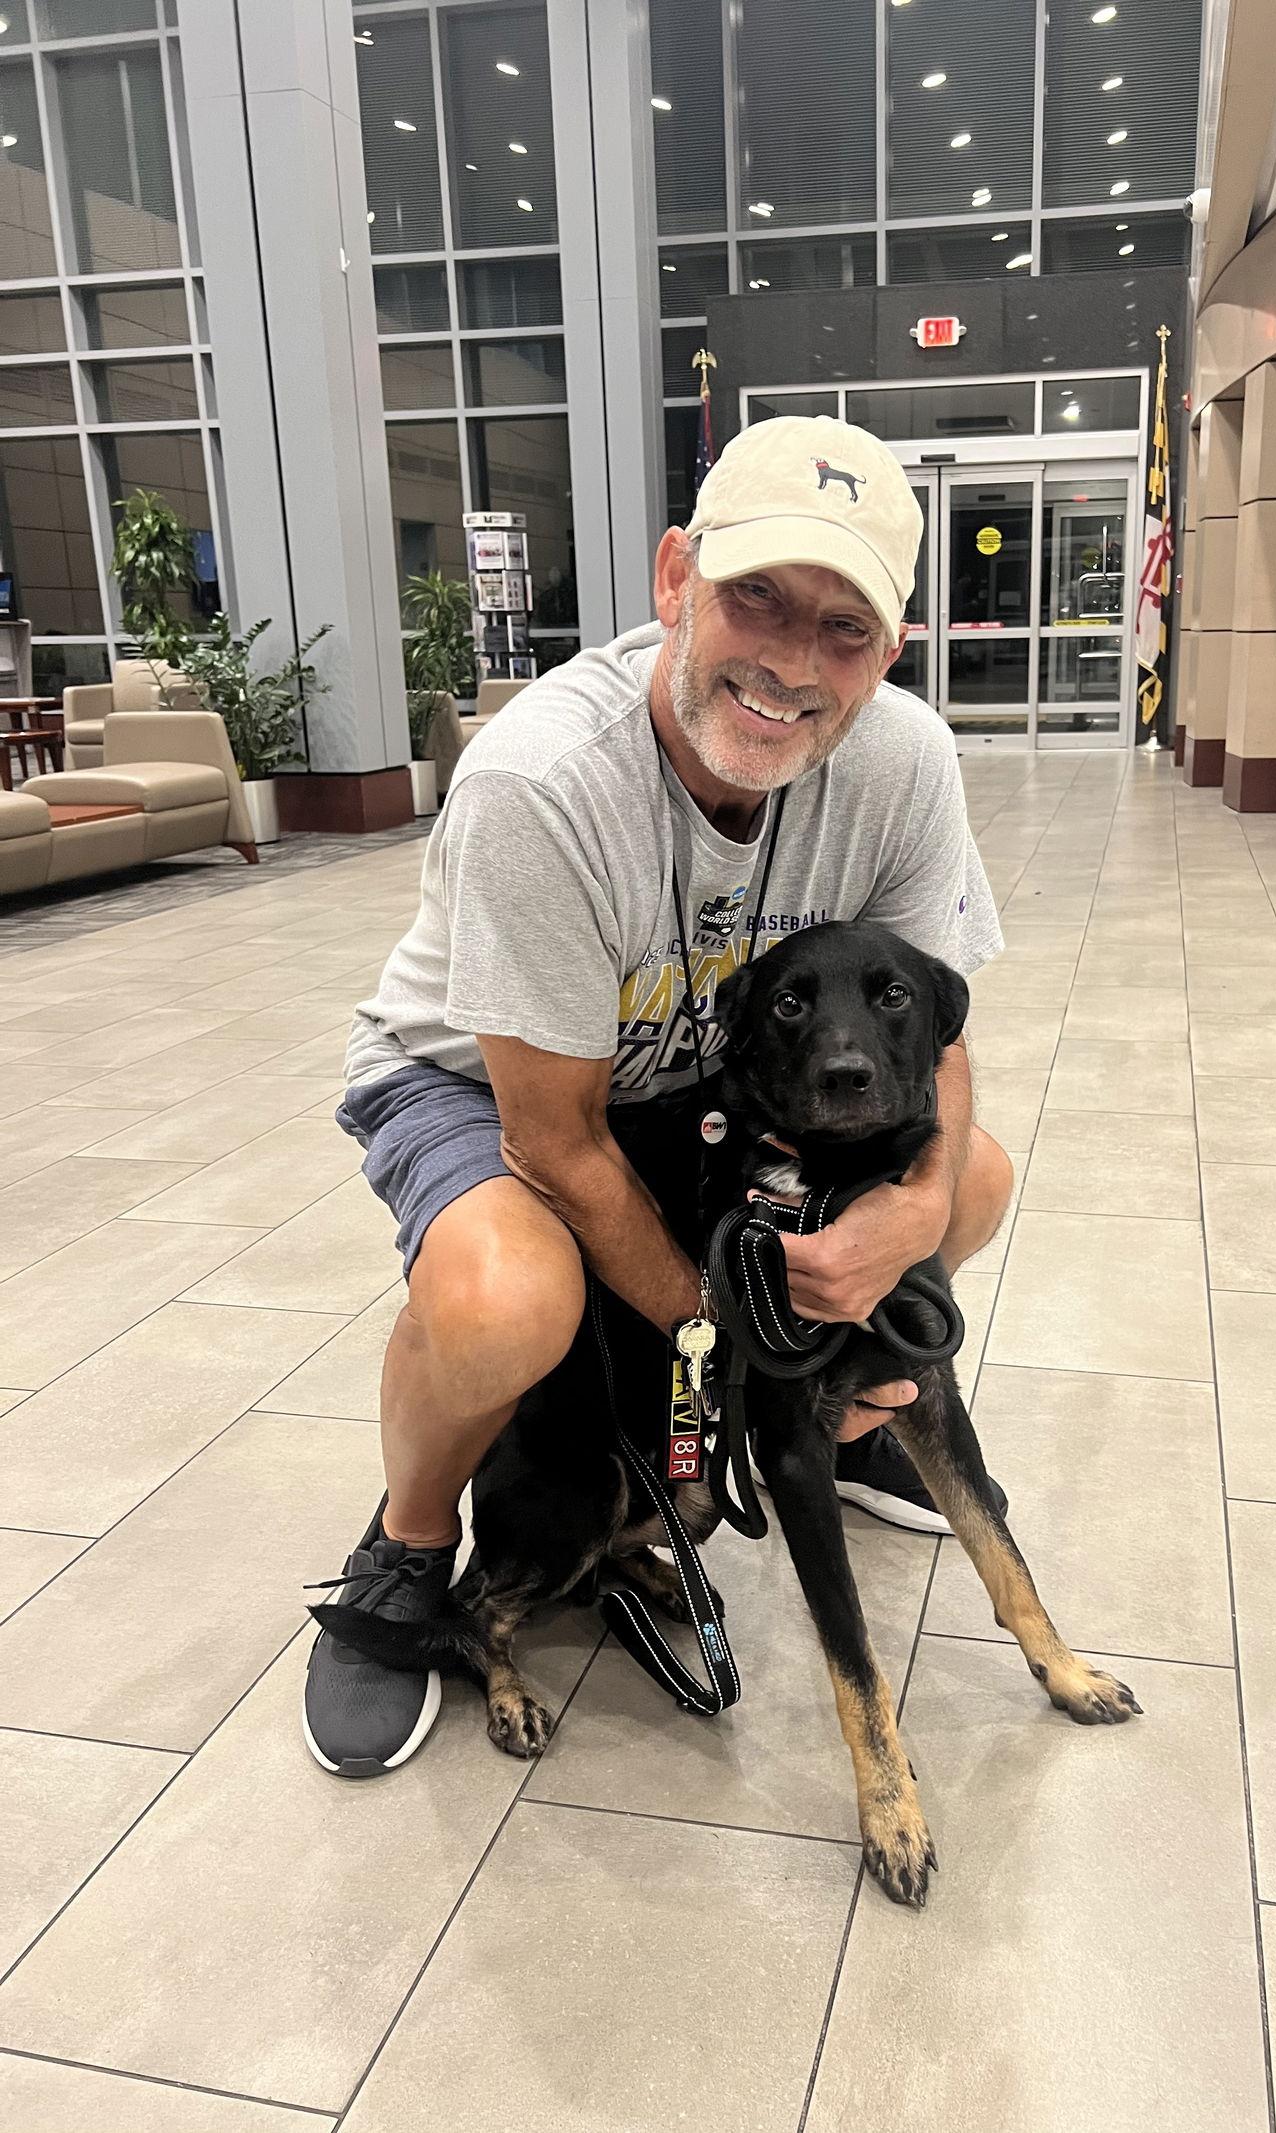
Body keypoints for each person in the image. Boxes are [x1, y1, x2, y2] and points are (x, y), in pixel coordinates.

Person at [303, 415, 1012, 1779]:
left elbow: (934, 1023)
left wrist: (910, 1217)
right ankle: (405, 1549)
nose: (792, 665)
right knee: (512, 1300)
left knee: (970, 1180)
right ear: (677, 577)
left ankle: (848, 1411)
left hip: (700, 1073)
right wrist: (727, 1332)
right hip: (486, 1081)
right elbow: (552, 1139)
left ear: (890, 652)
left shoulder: (904, 762)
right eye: (758, 597)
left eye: (844, 630)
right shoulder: (544, 786)